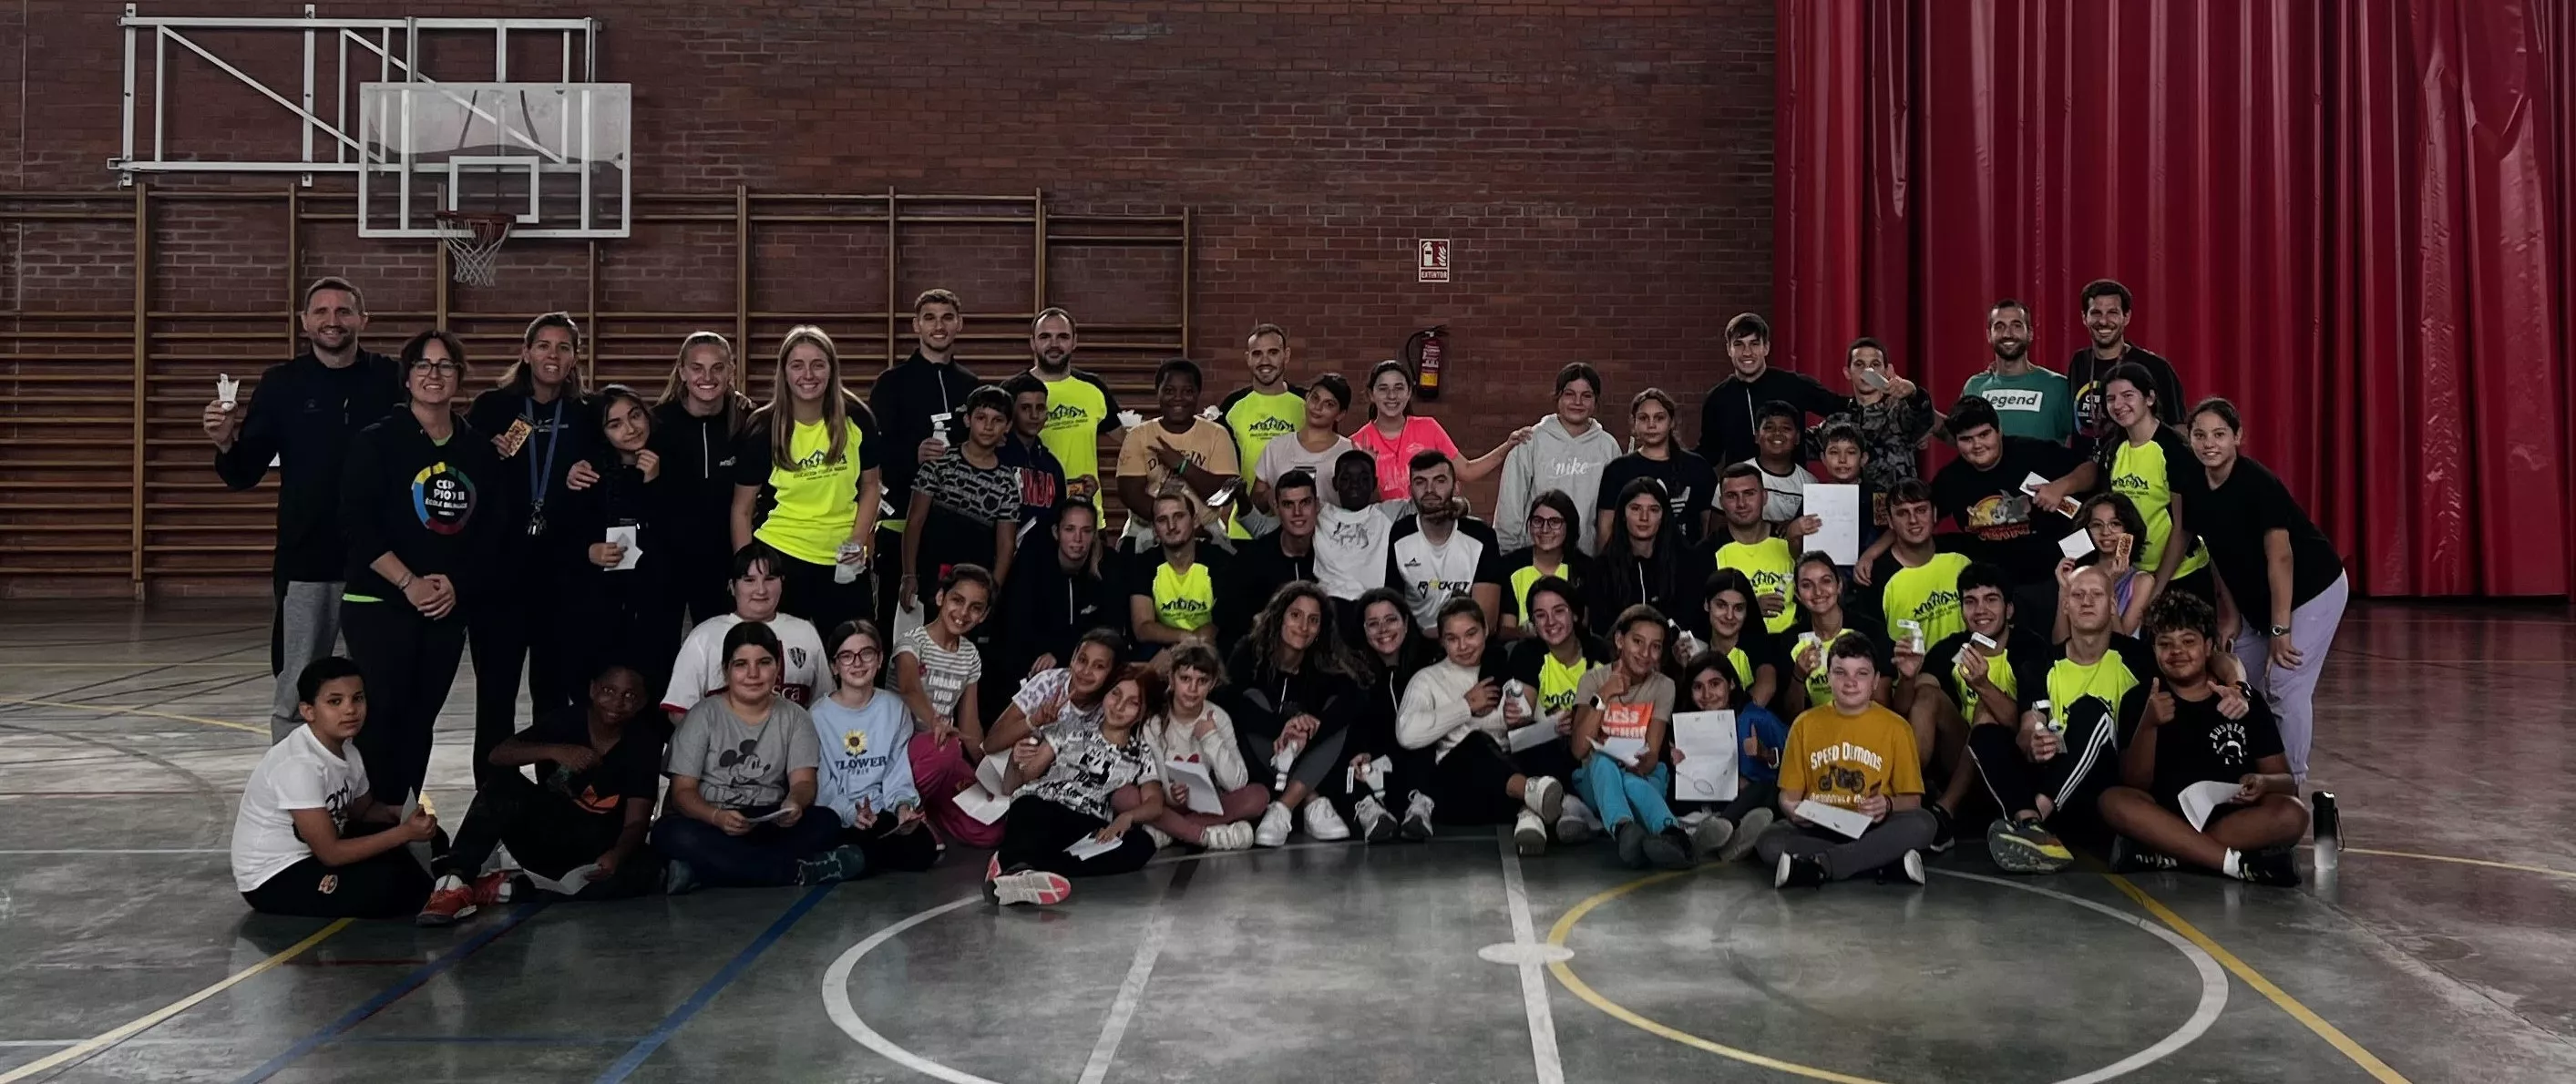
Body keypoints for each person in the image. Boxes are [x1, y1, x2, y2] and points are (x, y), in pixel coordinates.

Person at [204, 277, 404, 742]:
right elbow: (243, 472)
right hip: (305, 560)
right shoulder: (281, 384)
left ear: (362, 320)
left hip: (379, 563)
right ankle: (295, 797)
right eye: (321, 312)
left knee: (378, 684)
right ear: (305, 322)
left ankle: (373, 794)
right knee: (299, 685)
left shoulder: (390, 378)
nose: (332, 321)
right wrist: (224, 441)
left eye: (343, 311)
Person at [338, 329, 506, 807]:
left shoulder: (475, 449)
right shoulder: (376, 441)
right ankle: (366, 820)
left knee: (419, 720)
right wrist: (408, 582)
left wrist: (457, 583)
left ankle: (401, 817)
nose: (434, 374)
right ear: (408, 377)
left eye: (445, 365)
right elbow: (357, 524)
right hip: (381, 603)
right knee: (381, 717)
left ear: (458, 376)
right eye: (424, 366)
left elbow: (490, 532)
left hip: (444, 607)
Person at [2177, 397, 2348, 782]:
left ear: (2238, 436)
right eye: (2200, 435)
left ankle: (2291, 783)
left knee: (2286, 684)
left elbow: (2281, 560)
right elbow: (2215, 551)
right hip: (2257, 602)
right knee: (2237, 679)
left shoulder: (2259, 484)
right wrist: (2231, 615)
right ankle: (2250, 769)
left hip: (2311, 591)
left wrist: (2280, 630)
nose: (2209, 444)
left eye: (2219, 434)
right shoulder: (2195, 483)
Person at [424, 660, 662, 921]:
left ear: (641, 703)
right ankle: (454, 880)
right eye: (609, 691)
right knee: (503, 785)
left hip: (594, 848)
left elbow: (637, 821)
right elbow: (498, 755)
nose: (617, 702)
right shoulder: (567, 720)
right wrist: (555, 750)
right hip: (549, 831)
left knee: (647, 873)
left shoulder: (643, 743)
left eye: (629, 696)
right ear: (593, 690)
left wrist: (617, 855)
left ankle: (513, 889)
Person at [233, 657, 469, 919]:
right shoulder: (299, 766)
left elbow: (364, 811)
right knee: (389, 883)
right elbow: (331, 853)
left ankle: (449, 885)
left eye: (357, 698)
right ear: (308, 710)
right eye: (335, 702)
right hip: (274, 877)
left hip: (314, 856)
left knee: (432, 838)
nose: (350, 710)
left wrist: (397, 814)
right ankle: (445, 890)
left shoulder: (348, 751)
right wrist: (403, 833)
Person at [2098, 591, 2305, 885]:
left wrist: (2263, 783)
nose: (2177, 651)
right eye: (2165, 644)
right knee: (2113, 800)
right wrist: (2149, 724)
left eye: (2188, 641)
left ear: (2208, 646)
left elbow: (2286, 782)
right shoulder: (2140, 699)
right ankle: (2233, 863)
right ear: (2154, 651)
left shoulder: (2243, 700)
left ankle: (2173, 854)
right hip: (2166, 817)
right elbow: (2134, 783)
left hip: (2231, 819)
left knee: (2293, 814)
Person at [463, 312, 595, 776]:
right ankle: (493, 798)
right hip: (499, 577)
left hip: (561, 577)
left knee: (553, 694)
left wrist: (587, 476)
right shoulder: (492, 408)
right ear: (526, 352)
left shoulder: (586, 413)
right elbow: (459, 480)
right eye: (543, 345)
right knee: (495, 694)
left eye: (563, 347)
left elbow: (611, 471)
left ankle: (552, 796)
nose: (552, 356)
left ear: (575, 357)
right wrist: (486, 454)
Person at [1969, 565, 2161, 874]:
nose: (2086, 601)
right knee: (1985, 732)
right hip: (2051, 777)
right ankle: (2030, 822)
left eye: (2096, 595)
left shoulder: (2138, 658)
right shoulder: (2041, 663)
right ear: (2066, 605)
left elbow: (2202, 660)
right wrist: (2034, 742)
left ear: (2112, 605)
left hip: (2106, 788)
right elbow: (2029, 725)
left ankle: (2034, 823)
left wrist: (2236, 681)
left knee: (2089, 710)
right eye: (2078, 595)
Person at [652, 621, 861, 894]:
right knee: (671, 835)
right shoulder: (702, 715)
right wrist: (716, 817)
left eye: (764, 662)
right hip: (710, 820)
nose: (753, 674)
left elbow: (803, 783)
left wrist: (794, 803)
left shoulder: (795, 716)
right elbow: (683, 793)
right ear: (726, 670)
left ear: (778, 667)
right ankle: (795, 871)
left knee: (827, 822)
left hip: (768, 820)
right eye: (741, 664)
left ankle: (704, 870)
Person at [730, 326, 883, 637]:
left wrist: (857, 539)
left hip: (843, 558)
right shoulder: (763, 427)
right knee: (775, 661)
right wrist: (748, 573)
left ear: (831, 369)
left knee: (858, 655)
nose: (808, 374)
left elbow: (871, 487)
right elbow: (742, 508)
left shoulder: (857, 418)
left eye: (818, 364)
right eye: (797, 365)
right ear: (784, 372)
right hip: (781, 555)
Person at [1758, 634, 1935, 887]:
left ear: (1875, 681)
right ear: (1828, 677)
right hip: (1819, 827)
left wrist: (1886, 804)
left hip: (1872, 827)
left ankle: (1822, 865)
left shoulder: (1897, 728)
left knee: (1924, 824)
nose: (1850, 682)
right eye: (1840, 672)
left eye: (1861, 674)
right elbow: (1788, 796)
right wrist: (1792, 811)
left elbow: (1913, 801)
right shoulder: (1804, 725)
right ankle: (1882, 863)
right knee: (1769, 841)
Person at [986, 665, 1169, 906]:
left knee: (1141, 845)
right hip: (1045, 806)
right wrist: (1016, 760)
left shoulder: (1140, 753)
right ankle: (1022, 869)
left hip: (1087, 821)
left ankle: (1021, 869)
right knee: (1031, 805)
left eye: (1132, 702)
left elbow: (1155, 804)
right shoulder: (1070, 729)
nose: (1119, 706)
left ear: (1142, 711)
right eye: (1115, 694)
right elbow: (1023, 781)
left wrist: (1128, 817)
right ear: (1106, 694)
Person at [1397, 597, 1567, 854]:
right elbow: (1407, 734)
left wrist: (1532, 723)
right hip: (1457, 792)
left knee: (1539, 741)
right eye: (1452, 639)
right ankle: (1531, 796)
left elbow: (1538, 727)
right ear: (1442, 641)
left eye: (1471, 634)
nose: (1463, 646)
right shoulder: (1427, 679)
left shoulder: (1504, 670)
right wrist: (1465, 706)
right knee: (1477, 742)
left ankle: (1529, 813)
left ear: (1486, 630)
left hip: (1499, 792)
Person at [1902, 560, 2047, 844]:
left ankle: (1946, 810)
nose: (1980, 610)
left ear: (2009, 609)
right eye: (1971, 601)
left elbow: (2024, 728)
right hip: (1959, 762)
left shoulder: (2029, 646)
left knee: (1985, 709)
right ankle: (1906, 796)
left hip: (2011, 767)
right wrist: (1907, 678)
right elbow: (1909, 709)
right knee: (1927, 696)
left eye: (1991, 600)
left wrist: (1983, 686)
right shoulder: (1950, 649)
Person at [555, 384, 683, 700]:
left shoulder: (673, 462)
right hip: (601, 610)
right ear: (602, 433)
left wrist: (652, 483)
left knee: (651, 693)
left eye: (635, 415)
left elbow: (677, 538)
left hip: (654, 609)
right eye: (615, 424)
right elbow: (560, 539)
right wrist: (590, 551)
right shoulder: (588, 474)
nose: (630, 429)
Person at [1928, 395, 2089, 640]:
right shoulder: (1951, 478)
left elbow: (2091, 469)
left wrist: (2061, 487)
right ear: (1956, 442)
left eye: (1984, 435)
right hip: (1996, 594)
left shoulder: (2030, 452)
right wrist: (1875, 552)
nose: (1977, 445)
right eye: (1966, 440)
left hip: (2049, 580)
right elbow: (1915, 516)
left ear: (1999, 430)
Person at [1224, 582, 1364, 846]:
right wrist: (1285, 726)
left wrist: (1309, 729)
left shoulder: (1323, 663)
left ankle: (1283, 809)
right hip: (1261, 767)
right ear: (1280, 617)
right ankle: (1310, 799)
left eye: (1313, 620)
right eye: (1296, 615)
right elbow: (1232, 706)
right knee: (1252, 699)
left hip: (1308, 761)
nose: (1303, 627)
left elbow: (1351, 703)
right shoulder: (1248, 653)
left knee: (1337, 712)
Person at [871, 289, 985, 609]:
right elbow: (874, 453)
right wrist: (914, 453)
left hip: (958, 526)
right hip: (900, 526)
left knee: (952, 618)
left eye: (947, 317)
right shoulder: (891, 383)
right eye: (930, 318)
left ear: (959, 324)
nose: (939, 326)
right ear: (916, 325)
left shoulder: (972, 385)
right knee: (892, 625)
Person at [810, 619, 939, 874]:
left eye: (866, 653)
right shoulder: (816, 715)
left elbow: (897, 771)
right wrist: (851, 813)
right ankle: (858, 858)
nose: (857, 663)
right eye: (847, 656)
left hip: (882, 812)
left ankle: (853, 861)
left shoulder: (894, 707)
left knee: (923, 847)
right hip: (839, 813)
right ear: (834, 666)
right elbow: (822, 786)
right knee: (820, 829)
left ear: (880, 660)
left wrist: (903, 808)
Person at [1569, 606, 1691, 869]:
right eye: (1637, 642)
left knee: (1634, 783)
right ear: (1619, 640)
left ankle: (1640, 838)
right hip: (1598, 782)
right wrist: (1603, 696)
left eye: (1655, 646)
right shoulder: (1592, 680)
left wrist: (1638, 764)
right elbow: (1579, 749)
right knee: (1602, 762)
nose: (1646, 654)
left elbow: (1651, 755)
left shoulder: (1663, 686)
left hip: (1644, 777)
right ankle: (1657, 833)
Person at [652, 332, 755, 628]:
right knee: (659, 655)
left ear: (731, 371)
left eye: (717, 368)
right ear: (682, 372)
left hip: (723, 560)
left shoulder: (749, 421)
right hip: (666, 561)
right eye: (697, 368)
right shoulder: (657, 423)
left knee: (721, 650)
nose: (707, 377)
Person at [893, 564, 1001, 848]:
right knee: (944, 747)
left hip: (945, 758)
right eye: (957, 600)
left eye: (976, 608)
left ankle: (932, 810)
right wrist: (937, 721)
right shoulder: (911, 642)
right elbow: (909, 688)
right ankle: (908, 810)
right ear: (941, 598)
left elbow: (970, 726)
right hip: (905, 755)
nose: (964, 613)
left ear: (984, 615)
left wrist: (991, 774)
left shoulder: (970, 655)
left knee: (991, 828)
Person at [662, 544, 834, 721]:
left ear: (782, 582)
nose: (761, 590)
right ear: (732, 586)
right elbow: (679, 710)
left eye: (770, 579)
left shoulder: (805, 632)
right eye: (749, 580)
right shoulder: (704, 636)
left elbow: (825, 703)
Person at [2087, 363, 2211, 606]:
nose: (2118, 405)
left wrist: (2157, 587)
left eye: (2128, 395)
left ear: (2150, 398)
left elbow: (2183, 528)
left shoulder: (2174, 450)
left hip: (2182, 575)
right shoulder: (2114, 449)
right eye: (2111, 398)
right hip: (2134, 574)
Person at [901, 384, 1022, 609]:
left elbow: (1006, 545)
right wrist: (908, 575)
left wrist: (992, 591)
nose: (988, 426)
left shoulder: (1007, 482)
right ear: (967, 419)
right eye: (981, 417)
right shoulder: (939, 464)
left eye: (997, 420)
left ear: (1008, 426)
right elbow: (914, 522)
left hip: (975, 586)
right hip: (930, 576)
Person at [1139, 642, 1270, 849]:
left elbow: (1237, 783)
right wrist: (1172, 795)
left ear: (1212, 684)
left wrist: (1210, 737)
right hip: (1170, 807)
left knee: (1259, 795)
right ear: (1172, 679)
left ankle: (1172, 831)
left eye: (1202, 681)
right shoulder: (1154, 724)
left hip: (1211, 806)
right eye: (1185, 679)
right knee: (1128, 797)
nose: (1192, 689)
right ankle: (1201, 831)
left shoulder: (1218, 717)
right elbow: (1154, 780)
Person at [1503, 576, 1606, 837]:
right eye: (1540, 615)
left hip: (1588, 749)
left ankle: (1544, 811)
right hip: (1544, 751)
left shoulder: (1598, 652)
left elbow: (1612, 708)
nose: (1550, 622)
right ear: (1533, 623)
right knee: (1534, 745)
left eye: (1559, 611)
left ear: (1575, 613)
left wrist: (1581, 720)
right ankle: (1554, 808)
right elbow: (1524, 718)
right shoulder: (1526, 654)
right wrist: (1525, 718)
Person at [1350, 360, 1525, 501]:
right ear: (1371, 395)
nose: (1392, 396)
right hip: (1382, 532)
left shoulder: (1428, 427)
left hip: (1430, 525)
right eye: (1383, 389)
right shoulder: (1355, 443)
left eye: (1399, 388)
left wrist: (1508, 446)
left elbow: (1467, 471)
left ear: (1409, 392)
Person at [1670, 651, 1788, 862]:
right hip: (1707, 801)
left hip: (1754, 797)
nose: (1707, 694)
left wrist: (1766, 754)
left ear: (1731, 684)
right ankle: (1726, 835)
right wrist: (1675, 758)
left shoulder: (1756, 718)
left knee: (1766, 791)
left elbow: (1793, 762)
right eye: (1698, 687)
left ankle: (1724, 830)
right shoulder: (1685, 724)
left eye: (1715, 684)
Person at [994, 498, 1121, 687]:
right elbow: (1016, 627)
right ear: (1056, 532)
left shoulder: (1108, 569)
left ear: (1094, 534)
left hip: (1085, 670)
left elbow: (1110, 630)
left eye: (1086, 531)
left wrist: (1061, 654)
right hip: (1033, 670)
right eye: (1069, 529)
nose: (1078, 539)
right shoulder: (1033, 567)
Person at [1117, 357, 1244, 546]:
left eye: (1187, 391)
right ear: (1158, 392)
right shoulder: (1138, 436)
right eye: (1169, 391)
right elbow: (1130, 494)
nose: (1178, 397)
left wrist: (1182, 465)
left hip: (1205, 531)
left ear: (1198, 394)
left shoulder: (1217, 434)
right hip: (1146, 531)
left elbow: (1224, 495)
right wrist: (1174, 524)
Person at [1347, 587, 1441, 841]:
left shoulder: (1431, 662)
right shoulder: (1352, 673)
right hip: (1377, 770)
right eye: (1373, 624)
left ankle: (1420, 811)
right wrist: (1361, 751)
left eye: (1391, 620)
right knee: (1349, 765)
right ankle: (1372, 816)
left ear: (1406, 623)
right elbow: (1354, 726)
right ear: (1364, 631)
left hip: (1424, 768)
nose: (1383, 630)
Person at [1496, 363, 1619, 554]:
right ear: (1558, 396)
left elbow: (1613, 513)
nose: (1577, 402)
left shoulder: (1608, 447)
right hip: (1534, 557)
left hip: (1588, 561)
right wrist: (1507, 554)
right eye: (1569, 394)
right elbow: (1510, 504)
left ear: (1596, 400)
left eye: (1586, 396)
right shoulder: (1531, 441)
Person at [1696, 312, 1844, 468]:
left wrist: (1819, 442)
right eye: (1739, 344)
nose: (1747, 352)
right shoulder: (1717, 398)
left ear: (1766, 347)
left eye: (1754, 344)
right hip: (1741, 488)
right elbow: (1709, 453)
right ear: (1729, 349)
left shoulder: (1794, 385)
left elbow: (1840, 408)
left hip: (1792, 487)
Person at [1387, 451, 1507, 633]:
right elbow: (1394, 609)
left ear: (1456, 488)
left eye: (1440, 481)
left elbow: (1487, 622)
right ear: (1411, 489)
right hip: (1415, 648)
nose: (1429, 490)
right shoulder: (1399, 534)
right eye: (1420, 482)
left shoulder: (1481, 536)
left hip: (1468, 643)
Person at [1027, 308, 1124, 511]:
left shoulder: (1093, 388)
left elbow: (1127, 438)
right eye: (1045, 336)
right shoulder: (1013, 390)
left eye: (1062, 337)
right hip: (1031, 517)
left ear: (1074, 341)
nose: (1054, 344)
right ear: (1032, 342)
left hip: (1086, 514)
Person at [2066, 279, 2184, 445]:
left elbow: (2178, 427)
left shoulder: (2155, 367)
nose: (2104, 321)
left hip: (2135, 468)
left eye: (2113, 312)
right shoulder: (2079, 362)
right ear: (2084, 317)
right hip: (2086, 467)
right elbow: (2073, 428)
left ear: (2126, 317)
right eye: (2096, 313)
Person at [1598, 387, 1718, 547]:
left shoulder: (1698, 467)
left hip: (1687, 564)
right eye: (1644, 418)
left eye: (1659, 418)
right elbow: (1606, 528)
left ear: (1672, 422)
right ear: (1634, 423)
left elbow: (1708, 526)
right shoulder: (1618, 470)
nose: (1651, 425)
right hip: (1632, 564)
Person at [1218, 322, 1307, 534]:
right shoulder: (1232, 405)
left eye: (1273, 352)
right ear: (1248, 358)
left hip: (1298, 525)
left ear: (1286, 355)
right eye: (1257, 354)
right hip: (1243, 526)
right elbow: (1220, 468)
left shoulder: (1308, 403)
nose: (1264, 361)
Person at [1822, 337, 1935, 503]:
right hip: (1851, 514)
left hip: (1899, 512)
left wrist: (1913, 394)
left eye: (1875, 364)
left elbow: (1924, 418)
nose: (1868, 372)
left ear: (1887, 370)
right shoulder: (1838, 420)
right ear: (1847, 372)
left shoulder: (1899, 411)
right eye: (1859, 364)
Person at [1864, 481, 1974, 649]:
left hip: (1969, 668)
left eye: (1921, 510)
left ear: (1934, 514)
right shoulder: (1876, 576)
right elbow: (1874, 647)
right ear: (1890, 522)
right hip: (1911, 674)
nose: (1913, 520)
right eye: (1902, 513)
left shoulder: (1963, 553)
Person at [1781, 553, 1893, 716]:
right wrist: (1799, 675)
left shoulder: (1870, 631)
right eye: (1807, 585)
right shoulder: (1789, 640)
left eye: (1826, 581)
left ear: (1839, 585)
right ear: (1798, 595)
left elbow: (1882, 704)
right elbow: (1792, 715)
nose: (1818, 591)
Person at [1956, 298, 2076, 445]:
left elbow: (2082, 444)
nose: (2008, 333)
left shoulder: (2058, 386)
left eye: (2016, 326)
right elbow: (1960, 438)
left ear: (2030, 334)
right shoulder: (1974, 386)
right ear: (1989, 335)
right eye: (1999, 326)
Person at [1221, 467, 1322, 639]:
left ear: (1317, 505)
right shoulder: (1251, 560)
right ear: (1276, 507)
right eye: (1288, 504)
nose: (1297, 513)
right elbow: (1230, 620)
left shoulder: (1334, 554)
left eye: (1305, 503)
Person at [1591, 478, 1697, 637]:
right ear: (1623, 515)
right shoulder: (1601, 568)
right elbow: (1602, 629)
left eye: (1654, 510)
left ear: (1663, 516)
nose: (1644, 518)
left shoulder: (1685, 564)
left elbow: (1689, 621)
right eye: (1635, 509)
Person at [1130, 491, 1233, 651]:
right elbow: (1143, 628)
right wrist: (1186, 639)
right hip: (1166, 650)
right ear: (1155, 530)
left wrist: (1186, 647)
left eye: (1179, 516)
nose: (1171, 526)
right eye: (1162, 520)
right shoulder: (1143, 563)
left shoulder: (1220, 561)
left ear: (1195, 521)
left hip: (1210, 651)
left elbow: (1222, 624)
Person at [1713, 464, 1808, 636]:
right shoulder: (1707, 552)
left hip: (1792, 646)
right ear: (1721, 503)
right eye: (1732, 496)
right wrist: (1748, 609)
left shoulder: (1790, 541)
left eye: (1749, 494)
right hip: (1738, 647)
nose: (1741, 503)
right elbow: (1699, 613)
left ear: (1764, 497)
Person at [1314, 449, 1411, 605]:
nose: (1355, 485)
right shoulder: (1318, 512)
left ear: (1374, 483)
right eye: (1346, 478)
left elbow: (1429, 504)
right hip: (1328, 606)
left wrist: (1461, 504)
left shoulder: (1388, 513)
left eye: (1364, 479)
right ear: (1335, 483)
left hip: (1372, 605)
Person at [1496, 490, 1597, 639]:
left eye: (1555, 522)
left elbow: (1583, 628)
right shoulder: (1510, 565)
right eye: (1538, 521)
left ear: (1569, 526)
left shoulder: (1585, 568)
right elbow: (1506, 630)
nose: (1545, 529)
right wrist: (1529, 634)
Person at [2056, 493, 2158, 639]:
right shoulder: (2078, 575)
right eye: (2097, 525)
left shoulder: (2143, 581)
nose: (2105, 532)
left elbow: (2121, 643)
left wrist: (2109, 585)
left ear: (2127, 529)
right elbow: (2059, 641)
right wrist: (2063, 589)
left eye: (2115, 524)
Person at [1252, 373, 1355, 516]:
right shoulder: (1276, 446)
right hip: (1282, 535)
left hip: (1333, 535)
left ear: (1340, 414)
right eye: (1315, 398)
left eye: (1329, 404)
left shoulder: (1349, 451)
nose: (1318, 407)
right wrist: (1272, 495)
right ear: (1306, 397)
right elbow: (1256, 502)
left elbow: (1363, 504)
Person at [1693, 568, 1784, 713]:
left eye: (1738, 608)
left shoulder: (1761, 645)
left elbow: (1767, 687)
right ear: (1706, 604)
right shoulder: (1695, 649)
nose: (1730, 616)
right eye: (1721, 605)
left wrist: (1730, 723)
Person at [996, 373, 1069, 539]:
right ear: (1010, 412)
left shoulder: (1052, 465)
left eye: (1040, 408)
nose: (1034, 415)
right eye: (1025, 408)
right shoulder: (994, 456)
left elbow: (1058, 520)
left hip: (1040, 559)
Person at [1743, 401, 1815, 526]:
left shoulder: (1810, 483)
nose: (1777, 433)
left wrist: (1794, 526)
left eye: (1786, 428)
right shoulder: (1737, 476)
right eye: (1769, 427)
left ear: (1797, 437)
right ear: (1756, 435)